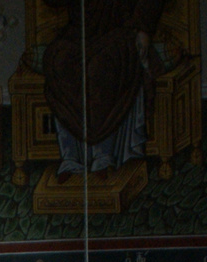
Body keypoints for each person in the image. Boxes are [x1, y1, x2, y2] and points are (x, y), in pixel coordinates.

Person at [39, 0, 168, 177]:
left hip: (119, 30)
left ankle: (103, 154)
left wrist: (144, 30)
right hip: (79, 34)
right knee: (59, 60)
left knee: (101, 69)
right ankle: (71, 156)